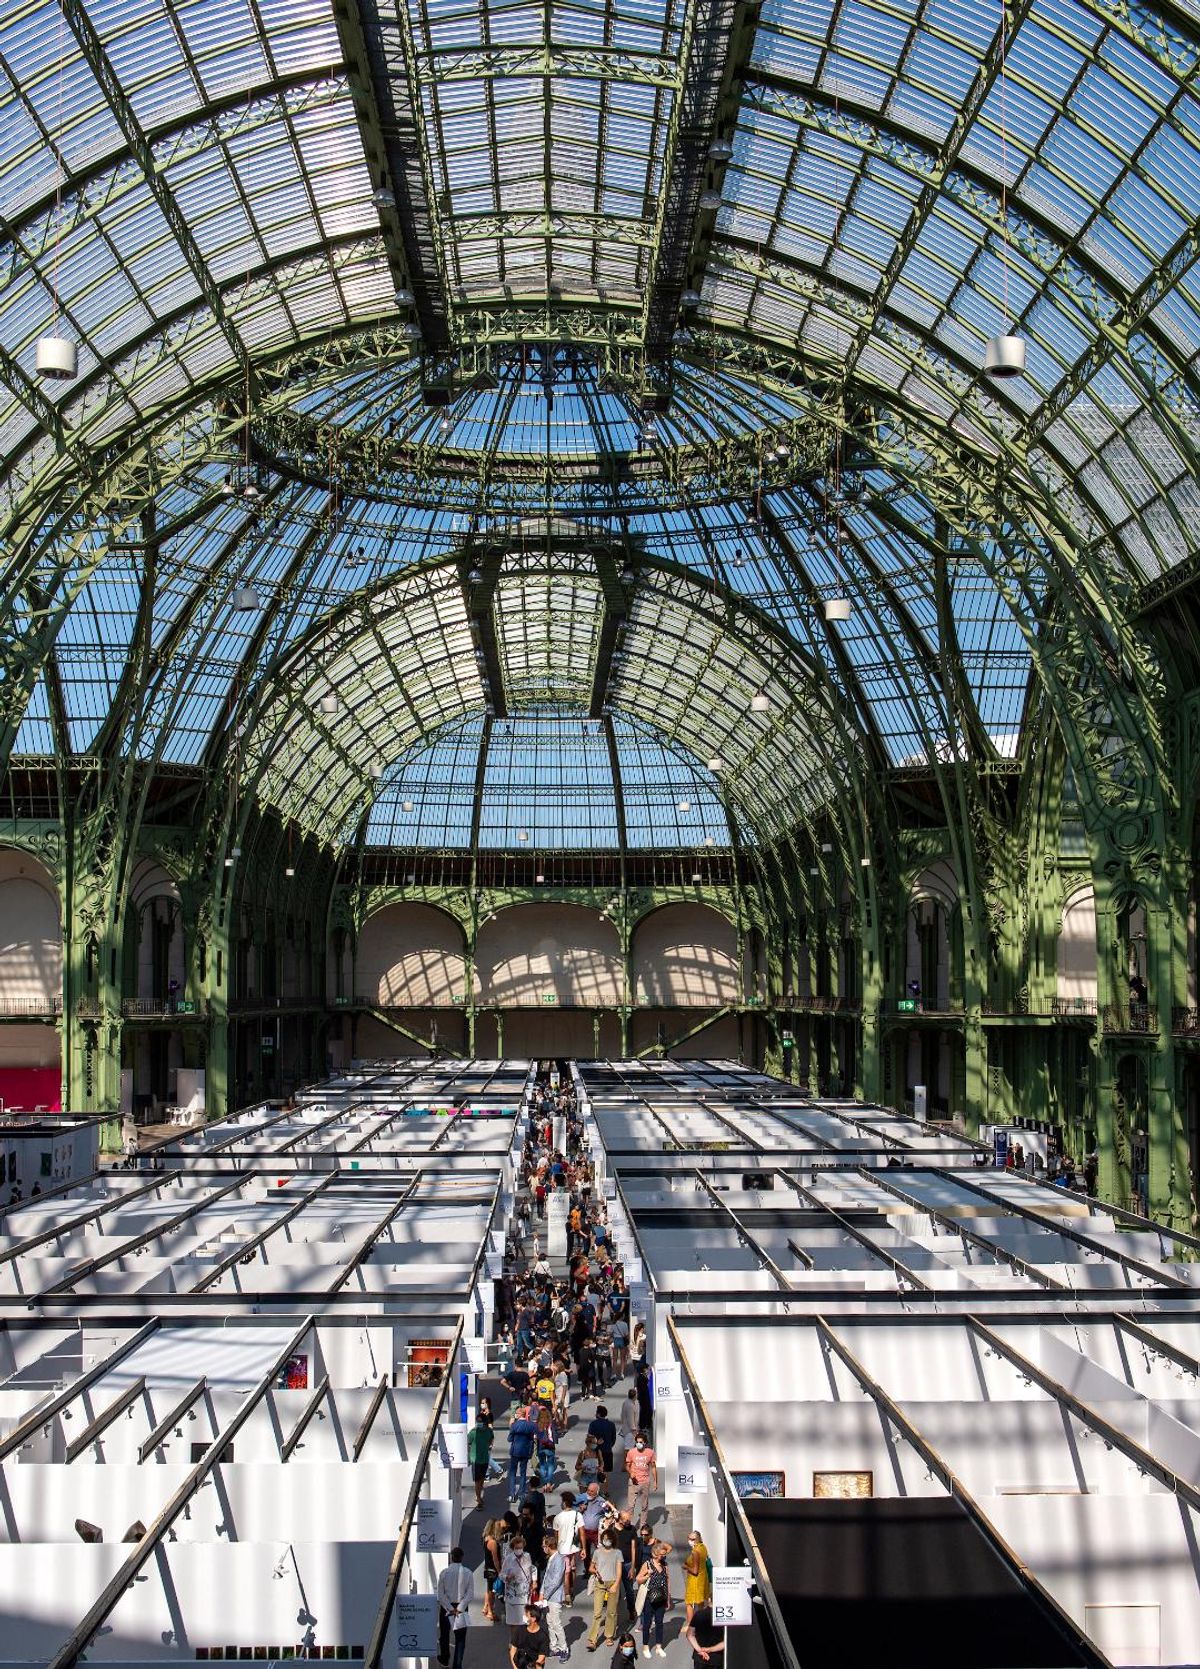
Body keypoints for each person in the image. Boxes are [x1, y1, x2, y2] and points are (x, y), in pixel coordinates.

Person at [586, 1528, 624, 1650]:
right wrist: (595, 1571)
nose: (606, 1541)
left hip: (612, 1583)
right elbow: (591, 1568)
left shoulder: (618, 1553)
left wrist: (615, 1585)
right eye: (604, 1538)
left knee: (611, 1612)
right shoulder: (597, 1552)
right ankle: (593, 1639)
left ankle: (609, 1636)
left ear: (613, 1540)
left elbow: (619, 1571)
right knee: (597, 1612)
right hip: (600, 1584)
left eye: (608, 1539)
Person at [437, 1547, 473, 1669]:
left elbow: (440, 1595)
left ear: (451, 1557)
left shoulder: (444, 1573)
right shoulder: (468, 1573)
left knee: (444, 1635)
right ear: (462, 1557)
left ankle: (445, 1658)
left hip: (446, 1607)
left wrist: (449, 1608)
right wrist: (460, 1607)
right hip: (461, 1607)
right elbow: (470, 1594)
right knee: (460, 1638)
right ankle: (457, 1665)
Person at [634, 1541, 672, 1657]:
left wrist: (668, 1598)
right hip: (649, 1598)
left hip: (661, 1598)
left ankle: (659, 1647)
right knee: (647, 1623)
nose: (664, 1556)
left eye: (665, 1554)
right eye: (662, 1554)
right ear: (655, 1554)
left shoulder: (665, 1565)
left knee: (660, 1623)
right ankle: (646, 1646)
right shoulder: (647, 1564)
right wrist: (647, 1575)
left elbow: (667, 1581)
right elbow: (638, 1579)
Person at [500, 1535, 536, 1637]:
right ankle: (513, 1641)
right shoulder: (508, 1559)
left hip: (524, 1594)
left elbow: (532, 1569)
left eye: (520, 1548)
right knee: (513, 1621)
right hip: (512, 1595)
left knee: (525, 1620)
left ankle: (523, 1642)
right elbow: (501, 1575)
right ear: (513, 1548)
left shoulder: (527, 1556)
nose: (519, 1550)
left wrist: (534, 1581)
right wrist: (507, 1577)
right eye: (516, 1548)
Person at [553, 1491, 584, 1604]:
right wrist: (584, 1548)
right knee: (573, 1568)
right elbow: (582, 1533)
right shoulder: (578, 1515)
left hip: (563, 1549)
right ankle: (571, 1589)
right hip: (574, 1548)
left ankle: (567, 1596)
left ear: (565, 1503)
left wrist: (556, 1547)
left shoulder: (558, 1517)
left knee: (566, 1572)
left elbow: (556, 1535)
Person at [624, 1432, 657, 1527]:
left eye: (641, 1442)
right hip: (634, 1482)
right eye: (637, 1442)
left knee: (644, 1505)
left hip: (645, 1482)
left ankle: (643, 1525)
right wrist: (631, 1473)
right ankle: (628, 1524)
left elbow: (653, 1467)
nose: (639, 1444)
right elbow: (627, 1465)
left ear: (645, 1443)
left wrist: (655, 1482)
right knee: (630, 1505)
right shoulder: (631, 1452)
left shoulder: (650, 1452)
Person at [481, 1514, 509, 1623]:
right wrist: (500, 1571)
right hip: (492, 1570)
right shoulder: (493, 1542)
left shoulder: (486, 1538)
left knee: (488, 1589)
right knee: (492, 1591)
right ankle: (490, 1612)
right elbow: (496, 1559)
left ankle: (485, 1608)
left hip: (487, 1568)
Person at [508, 1404, 538, 1503]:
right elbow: (534, 1435)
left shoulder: (514, 1425)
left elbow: (509, 1439)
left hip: (515, 1451)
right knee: (523, 1472)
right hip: (525, 1451)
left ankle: (512, 1495)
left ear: (520, 1414)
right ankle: (521, 1493)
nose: (515, 1415)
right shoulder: (531, 1425)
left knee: (512, 1472)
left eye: (516, 1413)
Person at [509, 1601, 550, 1669]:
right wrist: (515, 1667)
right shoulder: (519, 1630)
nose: (524, 1617)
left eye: (526, 1615)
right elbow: (513, 1649)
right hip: (519, 1663)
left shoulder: (543, 1637)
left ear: (533, 1619)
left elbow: (541, 1658)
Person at [684, 1604, 725, 1669]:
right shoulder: (725, 1616)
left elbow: (689, 1635)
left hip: (700, 1658)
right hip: (718, 1658)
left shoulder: (699, 1614)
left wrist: (700, 1650)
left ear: (709, 1600)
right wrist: (710, 1649)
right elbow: (728, 1641)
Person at [682, 1530, 710, 1623]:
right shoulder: (703, 1547)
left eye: (692, 1539)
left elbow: (694, 1571)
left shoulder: (695, 1551)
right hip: (703, 1578)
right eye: (689, 1538)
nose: (690, 1540)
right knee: (701, 1602)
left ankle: (690, 1625)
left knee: (689, 1603)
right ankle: (700, 1624)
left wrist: (686, 1566)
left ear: (697, 1539)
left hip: (695, 1580)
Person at [469, 1410, 495, 1508]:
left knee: (480, 1479)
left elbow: (468, 1441)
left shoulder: (477, 1432)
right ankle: (479, 1498)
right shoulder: (476, 1432)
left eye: (480, 1421)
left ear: (484, 1422)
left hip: (482, 1459)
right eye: (477, 1421)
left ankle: (479, 1495)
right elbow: (491, 1439)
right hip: (477, 1459)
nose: (478, 1423)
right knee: (477, 1480)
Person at [589, 1404, 617, 1476]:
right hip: (608, 1451)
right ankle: (605, 1487)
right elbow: (613, 1439)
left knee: (595, 1473)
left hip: (595, 1452)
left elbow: (590, 1439)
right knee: (605, 1474)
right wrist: (609, 1446)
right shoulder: (611, 1425)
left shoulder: (593, 1424)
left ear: (598, 1414)